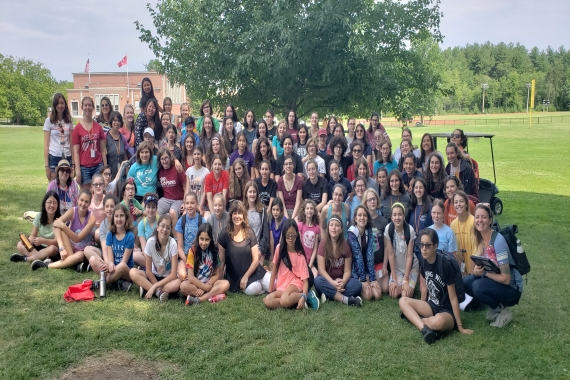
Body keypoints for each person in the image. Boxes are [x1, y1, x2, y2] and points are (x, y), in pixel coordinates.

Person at [399, 228, 473, 344]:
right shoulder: (423, 260)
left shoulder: (444, 264)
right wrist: (420, 306)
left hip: (447, 311)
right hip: (432, 305)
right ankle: (424, 328)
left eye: (428, 245)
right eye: (421, 244)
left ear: (435, 246)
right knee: (403, 301)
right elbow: (424, 289)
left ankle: (415, 319)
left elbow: (453, 298)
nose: (424, 249)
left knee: (438, 322)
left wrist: (460, 326)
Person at [463, 204, 523, 328]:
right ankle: (493, 306)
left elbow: (506, 279)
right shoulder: (481, 238)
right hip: (495, 280)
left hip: (512, 289)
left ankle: (502, 311)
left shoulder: (498, 241)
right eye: (477, 217)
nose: (480, 220)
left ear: (490, 220)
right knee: (466, 282)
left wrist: (484, 273)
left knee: (477, 286)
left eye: (483, 217)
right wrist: (476, 271)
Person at [32, 190, 96, 271]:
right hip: (71, 248)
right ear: (78, 199)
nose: (83, 204)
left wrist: (63, 226)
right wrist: (61, 247)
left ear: (89, 203)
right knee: (61, 230)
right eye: (82, 200)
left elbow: (77, 238)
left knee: (79, 255)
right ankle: (73, 263)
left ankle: (47, 265)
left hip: (83, 250)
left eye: (86, 202)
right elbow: (55, 224)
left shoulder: (91, 218)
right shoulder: (73, 211)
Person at [264, 219, 319, 311]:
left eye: (293, 235)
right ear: (284, 234)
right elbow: (274, 271)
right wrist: (269, 291)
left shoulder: (300, 255)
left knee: (284, 300)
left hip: (296, 283)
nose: (290, 238)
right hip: (282, 285)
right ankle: (294, 301)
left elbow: (305, 281)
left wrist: (303, 296)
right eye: (288, 235)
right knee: (267, 301)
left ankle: (306, 296)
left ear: (297, 235)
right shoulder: (279, 249)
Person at [218, 201, 271, 295]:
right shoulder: (224, 234)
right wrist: (218, 280)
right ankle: (261, 286)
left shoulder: (249, 232)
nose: (237, 216)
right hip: (236, 277)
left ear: (244, 215)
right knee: (254, 288)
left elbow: (255, 260)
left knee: (273, 284)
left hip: (253, 271)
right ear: (230, 215)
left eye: (240, 213)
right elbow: (221, 260)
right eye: (234, 213)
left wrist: (246, 276)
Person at [314, 215, 362, 306]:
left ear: (341, 230)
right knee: (317, 281)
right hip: (327, 280)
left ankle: (329, 295)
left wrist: (343, 282)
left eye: (337, 225)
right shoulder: (323, 244)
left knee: (357, 284)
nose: (334, 228)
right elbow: (321, 269)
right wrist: (332, 283)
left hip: (340, 281)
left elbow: (347, 270)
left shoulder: (345, 245)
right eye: (331, 225)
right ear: (328, 228)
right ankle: (346, 299)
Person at [130, 214, 181, 301]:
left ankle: (148, 287)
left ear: (170, 231)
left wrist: (155, 286)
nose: (165, 229)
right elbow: (149, 271)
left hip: (167, 279)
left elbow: (173, 274)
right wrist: (156, 286)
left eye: (168, 228)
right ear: (157, 227)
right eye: (162, 226)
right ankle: (159, 293)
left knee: (177, 283)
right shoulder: (150, 242)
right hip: (153, 276)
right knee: (132, 272)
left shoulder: (173, 244)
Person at [89, 203, 135, 292]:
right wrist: (109, 265)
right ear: (113, 219)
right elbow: (110, 259)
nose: (119, 219)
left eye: (121, 216)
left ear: (126, 218)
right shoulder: (110, 234)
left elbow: (124, 262)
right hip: (113, 269)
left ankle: (104, 282)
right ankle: (116, 283)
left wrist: (111, 268)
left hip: (125, 271)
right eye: (116, 216)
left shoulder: (130, 236)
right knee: (93, 260)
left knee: (121, 265)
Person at [181, 223, 230, 305]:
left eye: (207, 239)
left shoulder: (214, 252)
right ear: (198, 238)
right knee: (183, 286)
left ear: (211, 239)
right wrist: (205, 287)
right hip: (195, 284)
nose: (204, 243)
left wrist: (206, 286)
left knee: (226, 284)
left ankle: (199, 300)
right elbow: (191, 277)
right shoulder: (192, 251)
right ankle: (211, 295)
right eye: (202, 239)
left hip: (209, 283)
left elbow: (216, 275)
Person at [11, 191, 60, 264]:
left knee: (52, 249)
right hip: (39, 247)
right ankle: (41, 259)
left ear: (58, 205)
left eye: (54, 203)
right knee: (20, 245)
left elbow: (56, 242)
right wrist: (28, 241)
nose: (52, 205)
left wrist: (43, 240)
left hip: (52, 248)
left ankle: (26, 259)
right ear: (44, 204)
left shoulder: (60, 219)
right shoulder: (39, 217)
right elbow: (33, 236)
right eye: (49, 202)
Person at [347, 206, 382, 301]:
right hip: (354, 269)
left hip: (365, 267)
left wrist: (372, 278)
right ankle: (357, 284)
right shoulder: (351, 232)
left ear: (368, 218)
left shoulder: (369, 230)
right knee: (368, 295)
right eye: (359, 215)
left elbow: (370, 255)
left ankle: (366, 282)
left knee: (377, 295)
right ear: (355, 218)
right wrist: (363, 279)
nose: (362, 218)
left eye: (365, 215)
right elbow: (357, 257)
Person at [72, 97, 107, 189]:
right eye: (85, 105)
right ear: (82, 107)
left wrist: (105, 168)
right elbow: (75, 152)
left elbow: (103, 150)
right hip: (84, 168)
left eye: (90, 105)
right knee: (86, 195)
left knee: (99, 193)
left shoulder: (98, 127)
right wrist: (78, 171)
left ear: (93, 108)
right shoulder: (77, 129)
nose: (87, 107)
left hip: (97, 166)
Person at [385, 202, 418, 298]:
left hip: (411, 267)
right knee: (394, 294)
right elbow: (390, 254)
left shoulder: (410, 230)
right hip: (397, 268)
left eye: (400, 214)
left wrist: (406, 280)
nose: (397, 217)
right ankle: (400, 283)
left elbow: (409, 256)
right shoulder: (388, 229)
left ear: (404, 216)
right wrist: (394, 279)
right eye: (394, 215)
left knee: (405, 295)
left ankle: (410, 283)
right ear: (391, 217)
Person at [44, 93, 73, 182]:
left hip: (67, 156)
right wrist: (46, 166)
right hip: (54, 156)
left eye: (62, 103)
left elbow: (72, 144)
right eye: (57, 103)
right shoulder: (49, 121)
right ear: (54, 105)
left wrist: (73, 165)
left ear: (65, 104)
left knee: (67, 185)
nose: (60, 105)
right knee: (53, 186)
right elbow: (46, 144)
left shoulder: (69, 121)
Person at [174, 192, 207, 271]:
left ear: (197, 204)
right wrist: (187, 262)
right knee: (182, 275)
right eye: (187, 203)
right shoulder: (181, 221)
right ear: (184, 205)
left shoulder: (202, 221)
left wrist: (197, 261)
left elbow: (204, 244)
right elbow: (180, 247)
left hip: (198, 255)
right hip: (185, 256)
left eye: (192, 203)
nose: (189, 206)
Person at [84, 194, 118, 268]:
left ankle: (103, 265)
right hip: (106, 252)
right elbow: (104, 246)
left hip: (118, 252)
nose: (109, 209)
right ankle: (104, 265)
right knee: (87, 249)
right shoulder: (103, 224)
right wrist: (107, 262)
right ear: (104, 209)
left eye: (112, 206)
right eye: (107, 206)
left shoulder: (119, 221)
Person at [157, 147, 186, 228]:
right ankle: (159, 233)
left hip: (178, 199)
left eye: (166, 158)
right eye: (162, 159)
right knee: (156, 209)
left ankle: (175, 236)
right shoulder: (160, 171)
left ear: (170, 157)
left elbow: (186, 186)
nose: (164, 161)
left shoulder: (177, 168)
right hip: (166, 199)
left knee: (172, 212)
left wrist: (184, 202)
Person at [450, 191, 477, 275]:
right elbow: (455, 251)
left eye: (461, 201)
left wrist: (471, 274)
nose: (458, 204)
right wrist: (463, 273)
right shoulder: (453, 225)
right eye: (456, 202)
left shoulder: (473, 222)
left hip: (475, 268)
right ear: (453, 205)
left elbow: (476, 250)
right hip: (461, 269)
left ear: (466, 204)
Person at [244, 181, 270, 264]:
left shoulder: (262, 210)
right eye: (250, 192)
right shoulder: (242, 211)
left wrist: (260, 250)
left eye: (254, 192)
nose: (252, 194)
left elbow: (265, 234)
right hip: (245, 249)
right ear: (246, 194)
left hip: (258, 249)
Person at [408, 178, 433, 261]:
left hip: (425, 246)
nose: (418, 190)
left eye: (421, 187)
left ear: (424, 189)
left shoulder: (430, 207)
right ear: (413, 190)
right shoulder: (411, 206)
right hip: (412, 245)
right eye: (416, 187)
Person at [296, 199, 321, 277]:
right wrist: (303, 262)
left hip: (310, 262)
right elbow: (299, 246)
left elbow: (315, 249)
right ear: (304, 211)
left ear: (314, 211)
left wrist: (309, 266)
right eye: (307, 208)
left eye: (311, 208)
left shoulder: (317, 228)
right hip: (300, 260)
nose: (309, 210)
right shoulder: (300, 225)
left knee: (316, 277)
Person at [276, 155, 303, 219]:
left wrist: (292, 218)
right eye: (286, 164)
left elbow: (298, 202)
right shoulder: (280, 181)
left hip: (296, 212)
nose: (288, 166)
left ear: (293, 165)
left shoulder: (299, 180)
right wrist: (287, 218)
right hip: (283, 211)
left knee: (296, 223)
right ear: (283, 167)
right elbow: (282, 202)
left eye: (290, 163)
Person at [106, 111, 131, 177]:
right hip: (110, 175)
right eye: (115, 120)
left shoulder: (123, 138)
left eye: (119, 121)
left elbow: (125, 156)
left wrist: (127, 172)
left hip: (122, 174)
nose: (116, 123)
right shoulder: (106, 137)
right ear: (111, 121)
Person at [185, 146, 210, 213]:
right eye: (195, 154)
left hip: (201, 203)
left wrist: (200, 206)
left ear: (202, 155)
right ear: (192, 155)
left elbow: (205, 191)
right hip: (191, 203)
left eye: (198, 154)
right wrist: (185, 203)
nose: (196, 156)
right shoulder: (189, 171)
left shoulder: (206, 171)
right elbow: (188, 189)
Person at [89, 174, 106, 238]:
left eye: (100, 184)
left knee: (97, 234)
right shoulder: (89, 198)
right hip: (90, 226)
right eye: (95, 184)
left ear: (104, 186)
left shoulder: (107, 200)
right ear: (92, 187)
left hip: (103, 228)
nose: (98, 186)